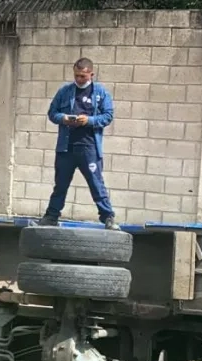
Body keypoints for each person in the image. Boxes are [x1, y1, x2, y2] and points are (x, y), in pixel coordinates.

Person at [38, 57, 119, 231]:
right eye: (76, 76)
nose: (79, 79)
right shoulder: (65, 91)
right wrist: (64, 118)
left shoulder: (101, 93)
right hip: (66, 147)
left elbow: (108, 116)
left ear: (91, 74)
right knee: (60, 184)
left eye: (83, 76)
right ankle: (51, 216)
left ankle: (108, 217)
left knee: (96, 184)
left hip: (89, 147)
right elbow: (52, 113)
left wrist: (88, 121)